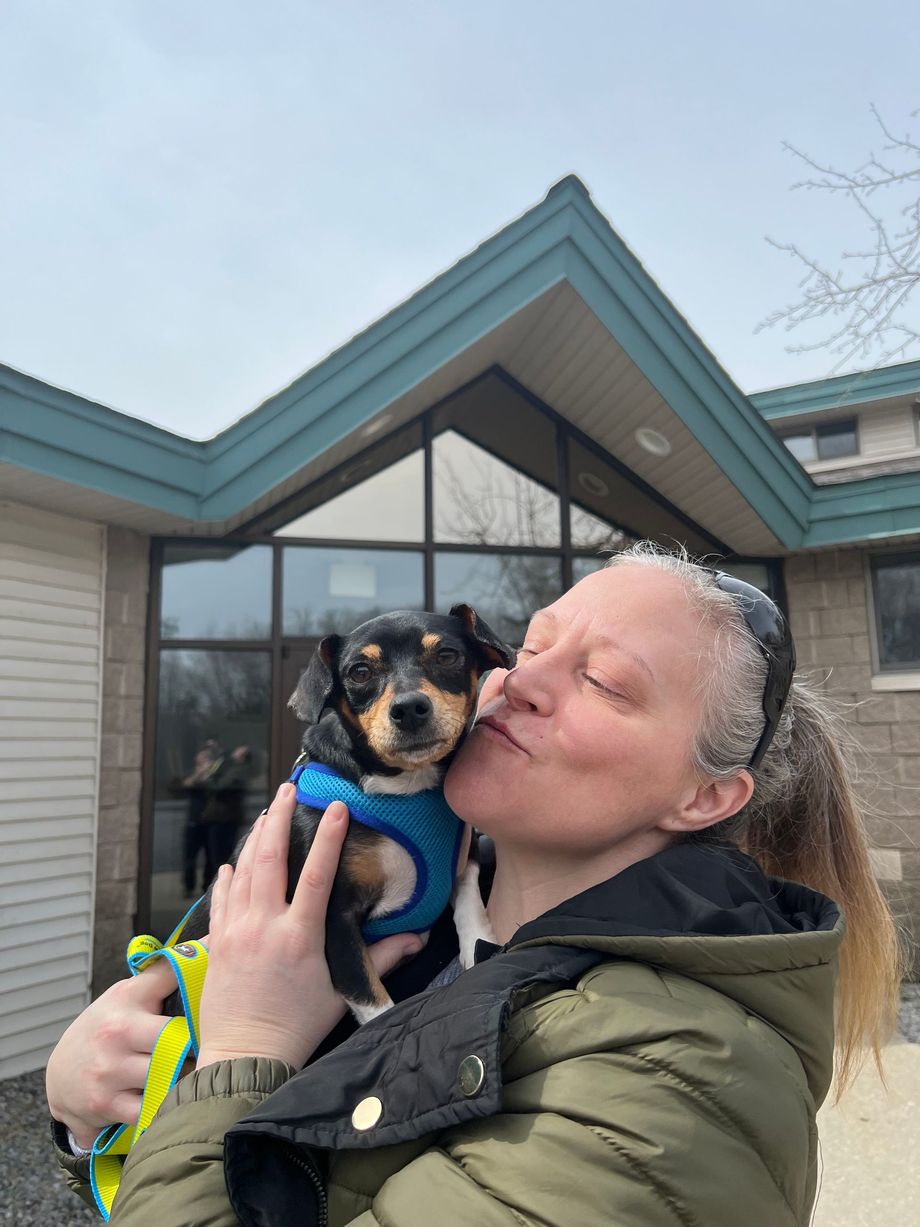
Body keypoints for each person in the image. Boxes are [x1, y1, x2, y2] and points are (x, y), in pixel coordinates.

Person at [46, 543, 902, 1227]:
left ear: (705, 796)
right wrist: (94, 1097)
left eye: (601, 679)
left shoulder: (669, 1085)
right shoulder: (438, 901)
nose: (516, 680)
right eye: (530, 644)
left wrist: (241, 1052)